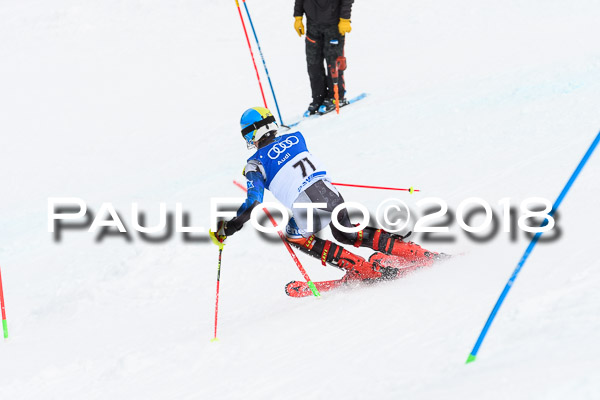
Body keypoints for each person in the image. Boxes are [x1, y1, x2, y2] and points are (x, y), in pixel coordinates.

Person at [210, 107, 443, 282]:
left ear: (252, 133)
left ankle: (360, 268)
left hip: (306, 205)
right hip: (329, 192)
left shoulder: (254, 164)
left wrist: (228, 229)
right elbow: (285, 158)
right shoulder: (296, 137)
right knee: (346, 233)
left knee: (293, 235)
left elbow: (253, 203)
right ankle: (411, 251)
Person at [293, 0, 354, 115]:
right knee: (313, 63)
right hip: (312, 26)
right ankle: (318, 98)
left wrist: (345, 19)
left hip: (334, 25)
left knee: (333, 63)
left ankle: (336, 97)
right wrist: (298, 17)